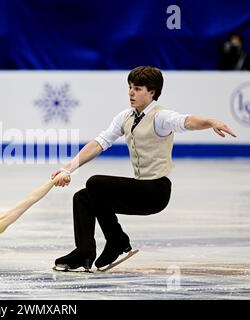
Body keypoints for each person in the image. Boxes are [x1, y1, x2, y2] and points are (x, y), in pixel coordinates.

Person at [51, 66, 237, 272]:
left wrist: (210, 122)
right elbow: (99, 142)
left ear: (152, 92)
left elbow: (186, 121)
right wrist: (68, 168)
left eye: (138, 88)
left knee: (96, 183)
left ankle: (117, 240)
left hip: (155, 192)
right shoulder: (125, 117)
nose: (131, 92)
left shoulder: (160, 117)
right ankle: (86, 251)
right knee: (83, 197)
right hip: (138, 190)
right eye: (130, 87)